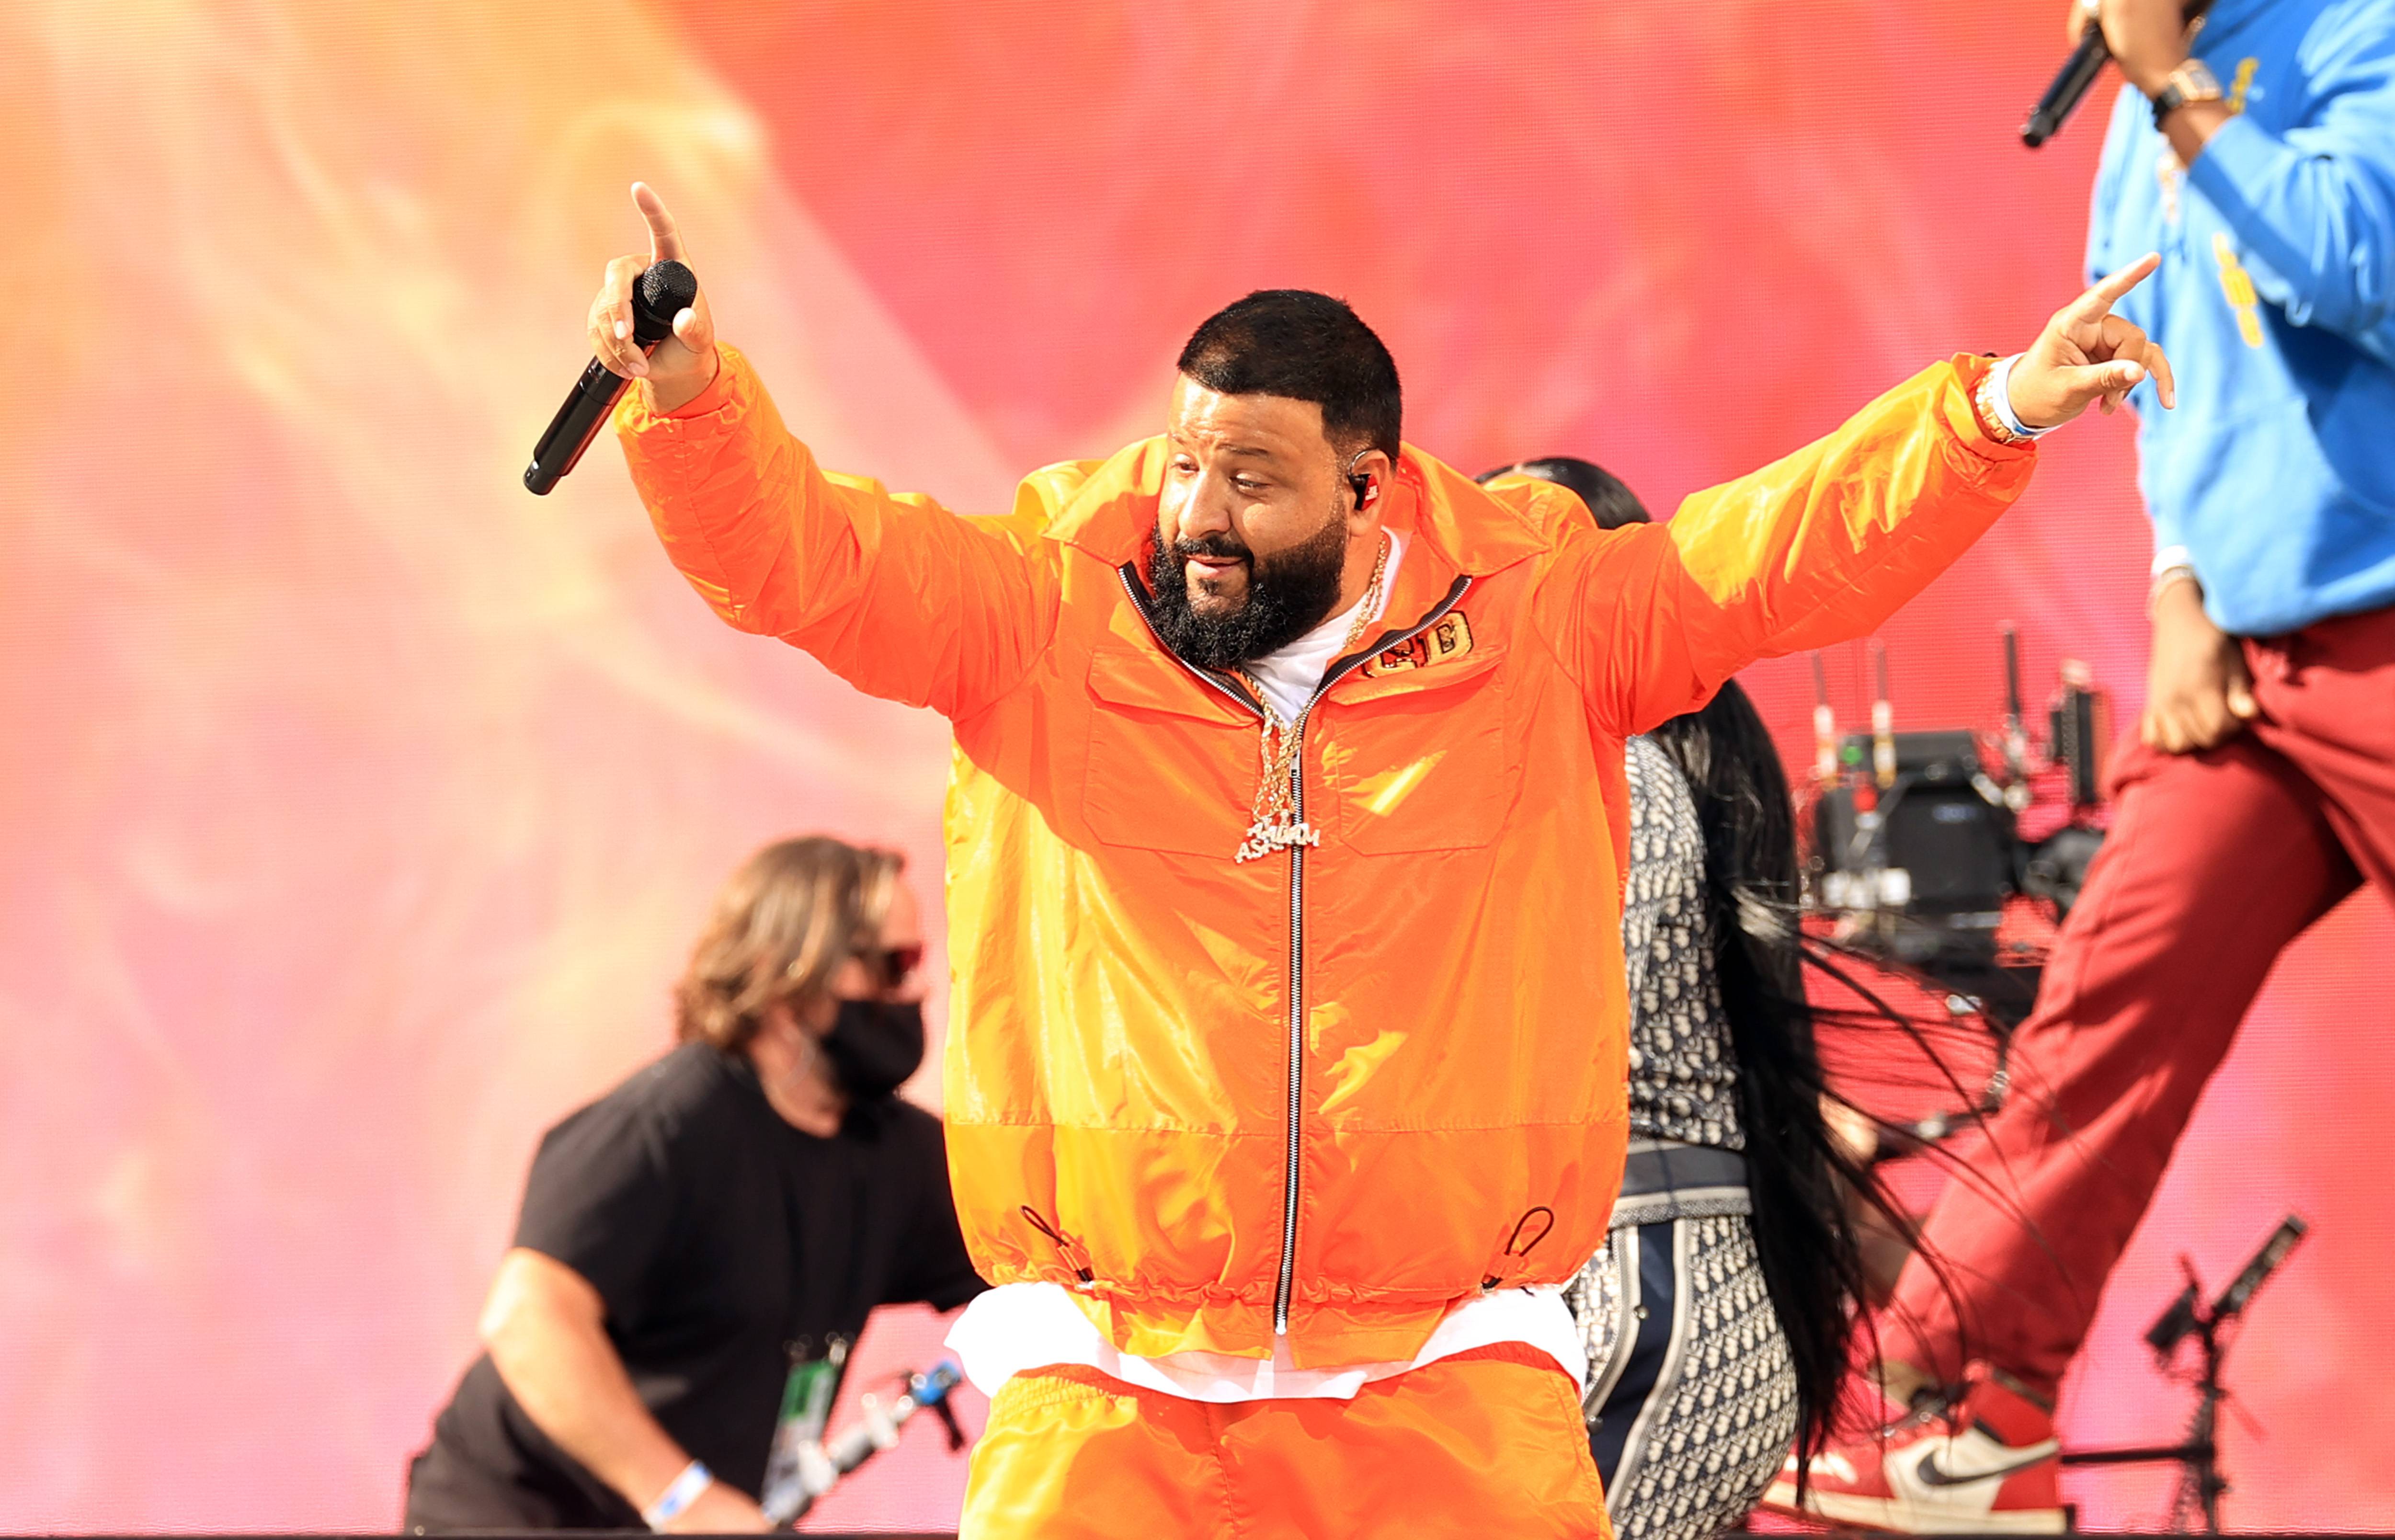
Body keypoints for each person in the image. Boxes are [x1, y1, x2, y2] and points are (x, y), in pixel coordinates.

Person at [589, 180, 2166, 1540]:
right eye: (1186, 462)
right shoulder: (1039, 614)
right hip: (1110, 1387)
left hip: (1447, 1386)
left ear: (1365, 484)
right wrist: (695, 396)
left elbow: (1772, 554)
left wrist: (1993, 411)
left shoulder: (1541, 627)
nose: (1195, 511)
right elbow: (809, 555)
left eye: (1250, 481)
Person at [1773, 0, 2395, 1530]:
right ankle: (1970, 1411)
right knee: (2102, 1013)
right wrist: (2182, 590)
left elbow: (2365, 270)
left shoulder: (2360, 31)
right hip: (2249, 667)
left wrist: (2180, 84)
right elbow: (2153, 363)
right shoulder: (2136, 111)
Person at [1479, 459, 1882, 1540]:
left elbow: (1537, 1018)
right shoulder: (1610, 758)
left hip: (1637, 1300)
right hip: (1629, 1291)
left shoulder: (1614, 766)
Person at [402, 837, 985, 1532]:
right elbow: (528, 1319)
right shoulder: (663, 1127)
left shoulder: (894, 1153)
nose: (914, 992)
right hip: (516, 1514)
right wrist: (684, 1501)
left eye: (917, 963)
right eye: (893, 965)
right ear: (784, 975)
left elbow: (1038, 1249)